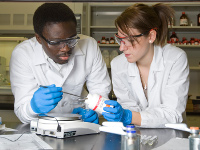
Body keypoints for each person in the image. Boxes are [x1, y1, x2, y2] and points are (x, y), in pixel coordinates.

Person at [10, 3, 111, 124]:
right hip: (42, 128)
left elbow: (100, 90)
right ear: (38, 39)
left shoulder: (89, 45)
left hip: (79, 124)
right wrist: (33, 107)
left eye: (71, 40)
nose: (65, 48)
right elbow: (22, 113)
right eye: (55, 42)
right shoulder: (23, 54)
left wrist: (93, 110)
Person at [102, 3, 189, 128]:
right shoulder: (118, 64)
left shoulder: (175, 59)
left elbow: (172, 114)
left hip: (171, 136)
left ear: (151, 36)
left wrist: (129, 116)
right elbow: (128, 107)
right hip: (135, 135)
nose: (121, 48)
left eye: (129, 40)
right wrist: (125, 114)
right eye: (120, 39)